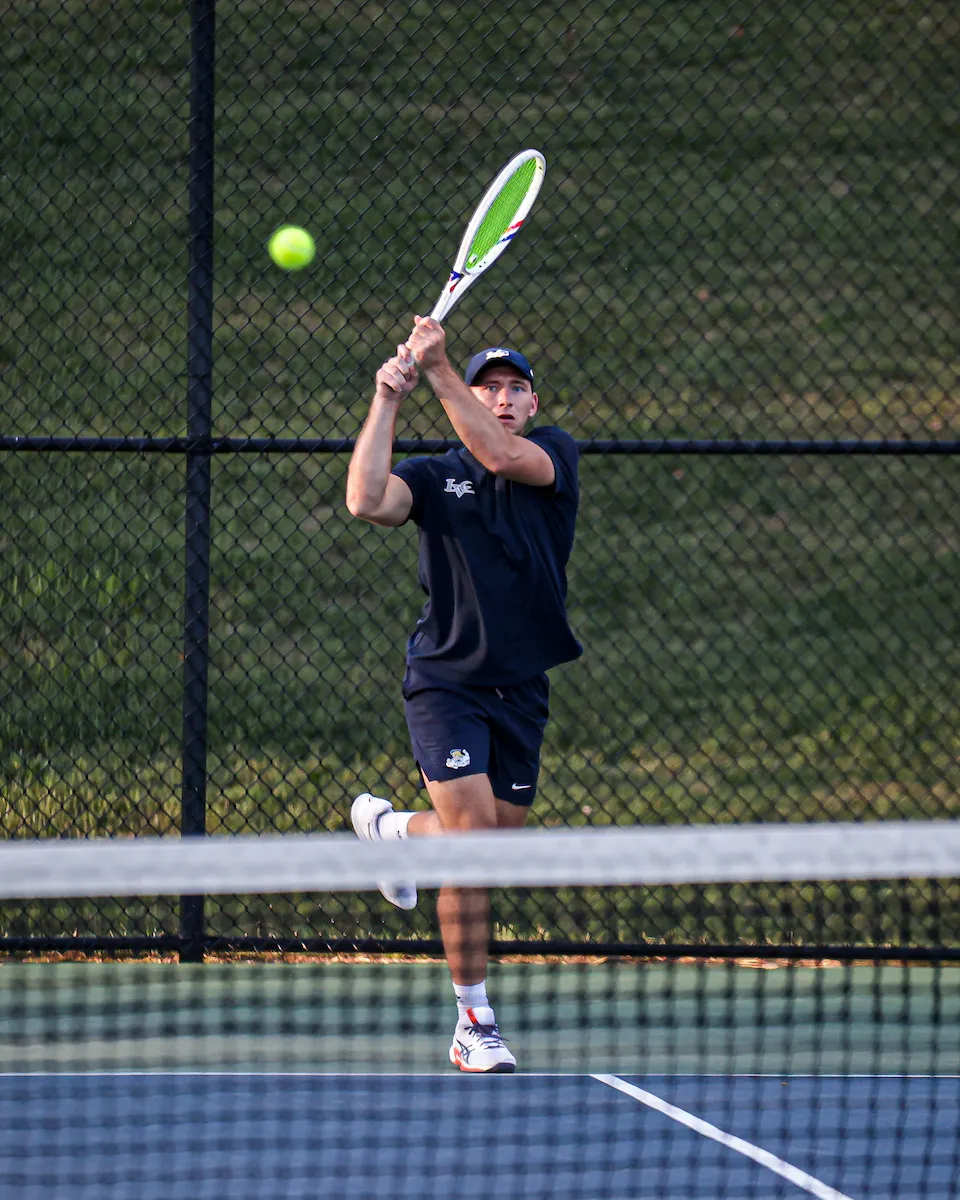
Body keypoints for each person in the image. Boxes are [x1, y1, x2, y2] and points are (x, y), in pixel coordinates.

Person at [344, 315, 581, 1073]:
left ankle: (393, 833)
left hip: (522, 686)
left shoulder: (552, 456)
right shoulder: (434, 475)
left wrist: (440, 368)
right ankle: (473, 1021)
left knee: (489, 848)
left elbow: (500, 452)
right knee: (475, 845)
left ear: (534, 405)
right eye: (491, 388)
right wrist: (387, 398)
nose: (504, 400)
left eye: (516, 390)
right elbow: (365, 499)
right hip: (445, 680)